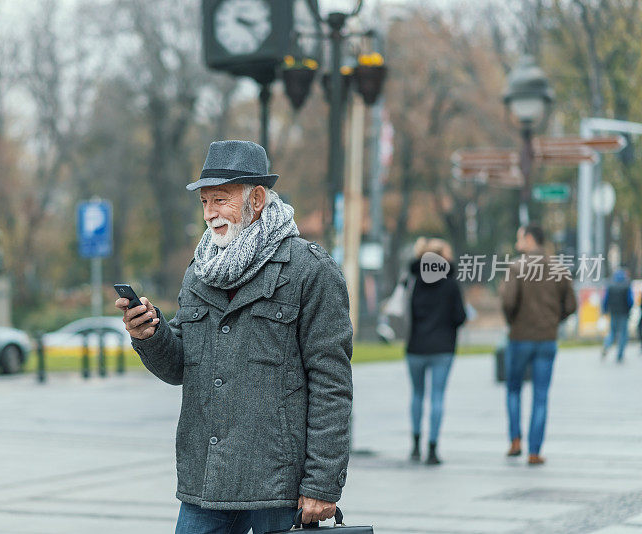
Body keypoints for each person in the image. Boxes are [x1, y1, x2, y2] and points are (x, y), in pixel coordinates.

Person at [116, 140, 353, 534]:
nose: (210, 214)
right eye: (205, 202)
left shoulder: (310, 271)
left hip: (278, 488)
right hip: (205, 483)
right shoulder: (199, 273)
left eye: (221, 200)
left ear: (256, 199)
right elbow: (180, 367)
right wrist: (150, 335)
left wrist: (323, 483)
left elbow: (332, 384)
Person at [500, 224, 577, 465]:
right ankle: (534, 451)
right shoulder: (559, 269)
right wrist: (555, 320)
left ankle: (515, 440)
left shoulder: (516, 267)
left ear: (530, 238)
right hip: (547, 339)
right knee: (541, 396)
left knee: (513, 389)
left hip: (520, 338)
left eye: (519, 238)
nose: (516, 244)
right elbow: (571, 305)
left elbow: (508, 302)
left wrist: (513, 322)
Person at [404, 238, 467, 465]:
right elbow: (460, 317)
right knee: (437, 397)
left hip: (415, 347)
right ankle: (432, 449)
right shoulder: (450, 284)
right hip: (443, 348)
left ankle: (414, 446)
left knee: (417, 395)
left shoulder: (413, 280)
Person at [601, 268, 633, 363]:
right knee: (623, 334)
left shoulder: (610, 285)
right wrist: (629, 309)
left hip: (613, 312)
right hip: (624, 313)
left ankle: (606, 345)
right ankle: (620, 355)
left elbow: (605, 299)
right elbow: (630, 300)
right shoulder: (626, 285)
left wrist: (605, 309)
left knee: (612, 332)